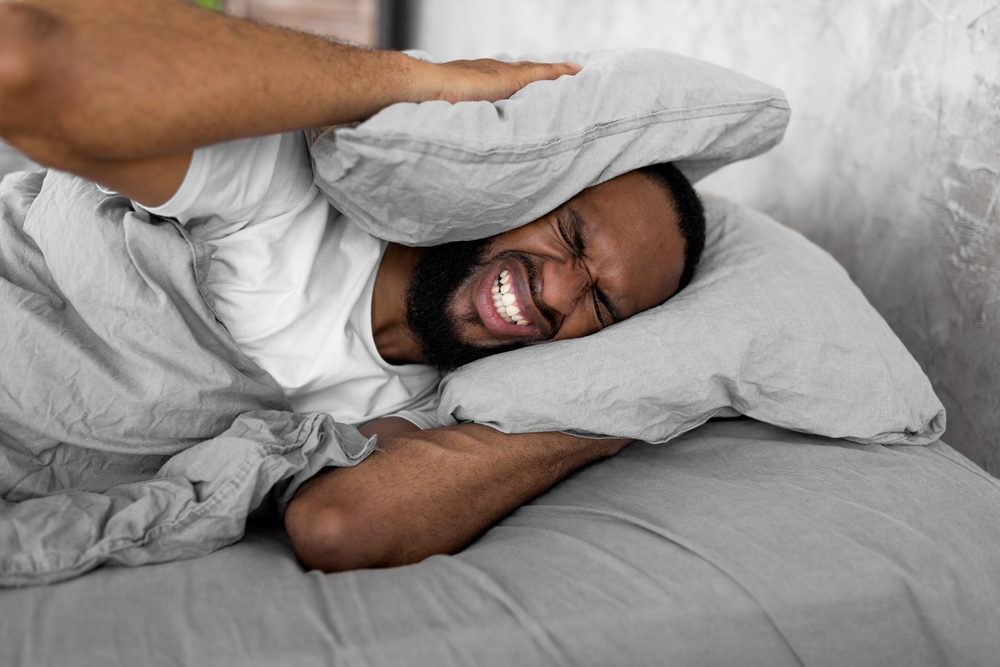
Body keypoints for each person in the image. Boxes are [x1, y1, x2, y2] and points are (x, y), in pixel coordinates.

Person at [0, 0, 705, 573]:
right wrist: (415, 80)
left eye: (602, 306)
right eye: (571, 236)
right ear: (522, 182)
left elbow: (339, 527)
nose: (556, 293)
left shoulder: (440, 406)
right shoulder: (288, 187)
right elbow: (26, 63)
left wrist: (617, 407)